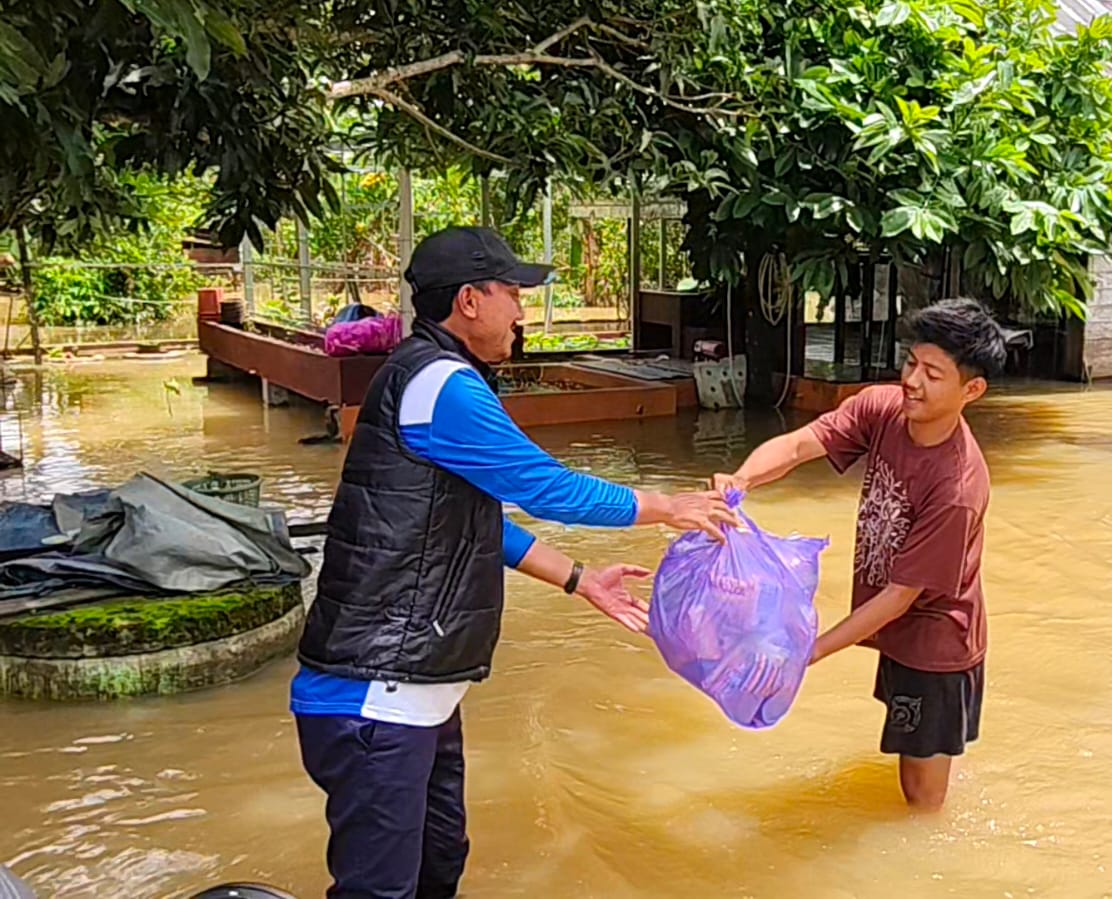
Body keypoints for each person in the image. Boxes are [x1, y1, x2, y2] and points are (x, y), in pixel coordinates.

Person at [292, 226, 735, 899]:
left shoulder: (426, 374)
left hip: (417, 691)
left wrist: (580, 580)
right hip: (376, 691)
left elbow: (472, 524)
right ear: (470, 301)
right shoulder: (443, 385)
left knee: (439, 863)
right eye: (513, 294)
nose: (521, 312)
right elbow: (547, 488)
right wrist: (666, 506)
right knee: (383, 890)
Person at [714, 298, 1005, 811]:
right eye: (911, 362)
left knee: (921, 796)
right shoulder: (883, 408)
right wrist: (741, 480)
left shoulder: (957, 487)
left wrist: (808, 652)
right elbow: (801, 445)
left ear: (972, 390)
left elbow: (899, 597)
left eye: (933, 374)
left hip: (935, 641)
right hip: (898, 627)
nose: (912, 381)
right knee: (911, 751)